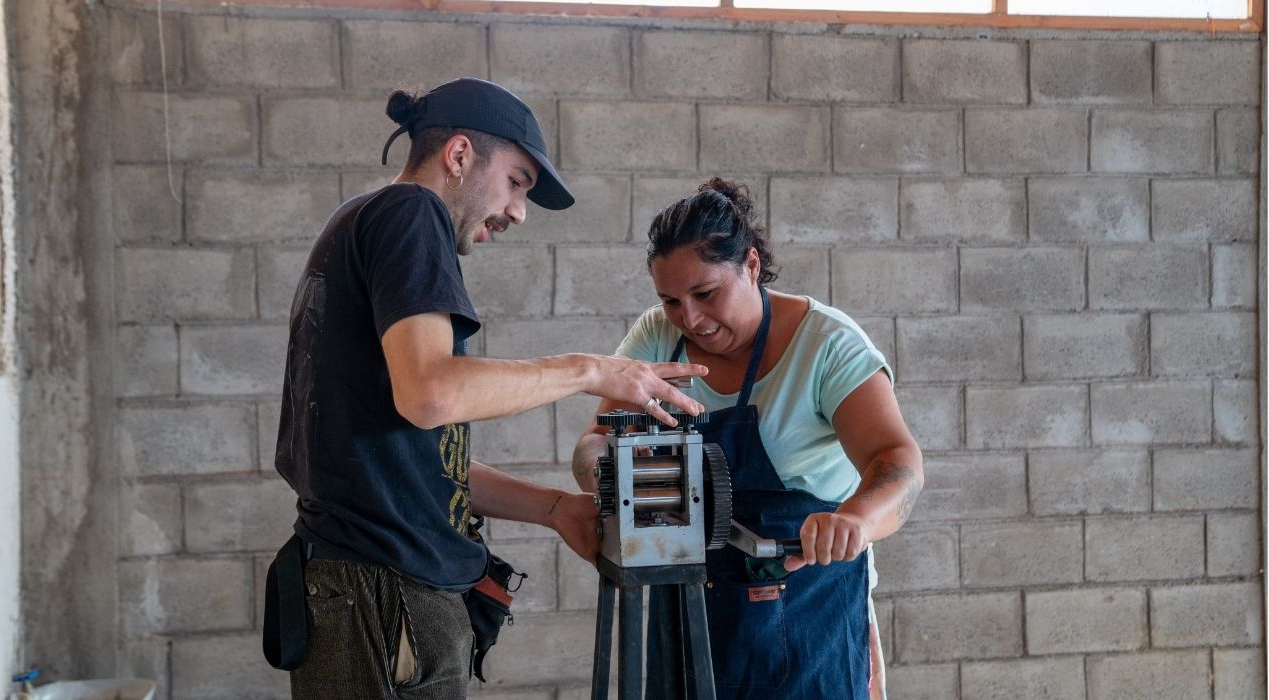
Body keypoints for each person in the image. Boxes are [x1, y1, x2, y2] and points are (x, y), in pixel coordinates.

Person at [267, 77, 707, 700]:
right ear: (459, 155)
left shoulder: (363, 220)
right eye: (517, 182)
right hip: (382, 598)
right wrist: (592, 371)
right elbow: (432, 394)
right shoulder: (410, 212)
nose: (518, 211)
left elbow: (415, 460)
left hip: (362, 589)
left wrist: (554, 509)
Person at [572, 177, 923, 700]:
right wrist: (610, 476)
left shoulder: (826, 345)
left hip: (807, 613)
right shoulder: (657, 337)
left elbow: (897, 462)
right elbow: (593, 442)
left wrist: (855, 519)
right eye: (671, 300)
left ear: (752, 267)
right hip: (691, 609)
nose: (689, 318)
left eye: (706, 293)